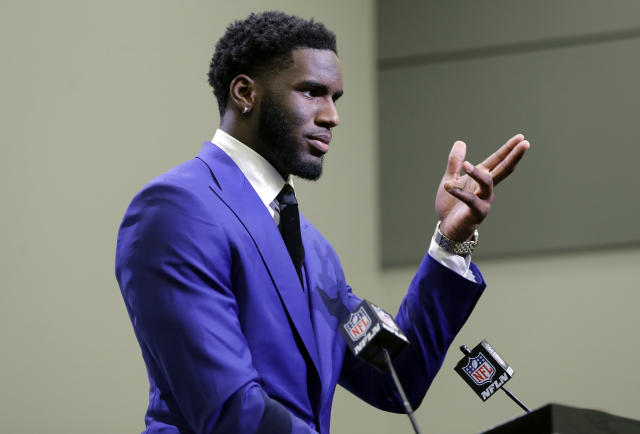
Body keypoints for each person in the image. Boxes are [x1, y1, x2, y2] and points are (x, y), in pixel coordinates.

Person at [115, 11, 529, 434]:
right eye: (312, 92)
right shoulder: (177, 209)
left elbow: (393, 378)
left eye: (336, 98)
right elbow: (229, 407)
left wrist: (450, 240)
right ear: (245, 93)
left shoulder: (314, 251)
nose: (332, 117)